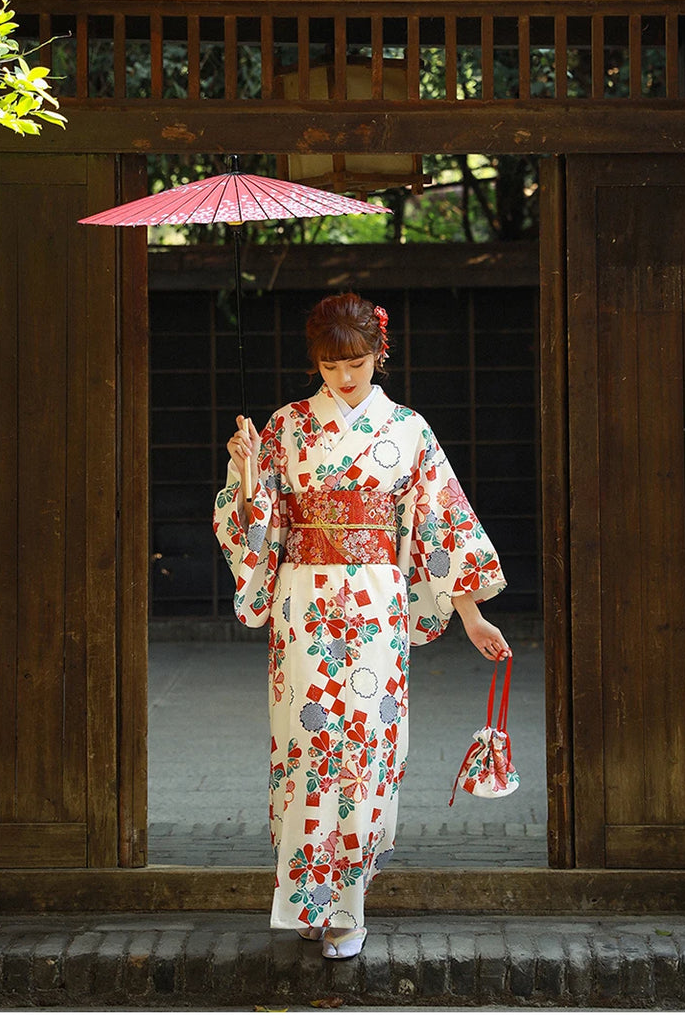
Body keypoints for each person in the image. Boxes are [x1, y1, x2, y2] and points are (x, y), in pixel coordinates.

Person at [214, 292, 508, 960]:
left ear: (380, 352)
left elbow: (439, 520)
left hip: (377, 603)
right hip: (304, 604)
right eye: (328, 362)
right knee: (309, 744)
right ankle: (308, 900)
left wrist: (470, 612)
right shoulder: (287, 424)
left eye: (356, 361)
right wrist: (245, 466)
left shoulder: (408, 429)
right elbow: (257, 519)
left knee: (369, 746)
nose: (343, 376)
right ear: (315, 360)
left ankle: (349, 905)